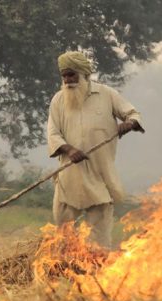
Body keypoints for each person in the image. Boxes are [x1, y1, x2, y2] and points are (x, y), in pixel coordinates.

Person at [47, 51, 144, 249]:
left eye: (72, 74)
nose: (68, 80)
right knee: (63, 237)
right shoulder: (58, 100)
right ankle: (61, 272)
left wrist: (130, 123)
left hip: (100, 176)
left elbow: (133, 113)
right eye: (64, 76)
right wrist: (69, 149)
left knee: (98, 242)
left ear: (84, 74)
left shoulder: (107, 94)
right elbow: (53, 134)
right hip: (69, 177)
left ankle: (97, 272)